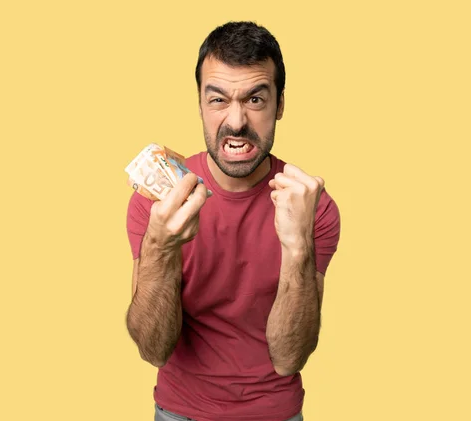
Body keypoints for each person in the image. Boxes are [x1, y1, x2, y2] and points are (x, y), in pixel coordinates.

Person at [126, 21, 341, 421]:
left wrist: (298, 248)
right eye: (219, 100)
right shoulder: (159, 202)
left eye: (255, 100)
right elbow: (152, 349)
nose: (237, 121)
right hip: (179, 411)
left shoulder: (311, 204)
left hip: (275, 412)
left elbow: (290, 357)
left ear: (279, 105)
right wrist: (160, 246)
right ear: (200, 105)